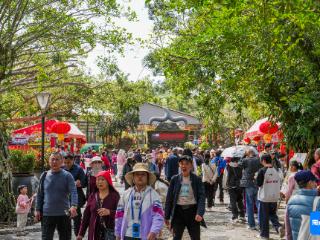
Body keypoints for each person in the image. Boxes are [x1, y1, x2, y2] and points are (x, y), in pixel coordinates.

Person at [115, 163, 164, 240]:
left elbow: (158, 215)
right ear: (133, 178)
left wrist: (154, 231)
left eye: (143, 174)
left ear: (147, 177)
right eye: (137, 174)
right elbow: (119, 214)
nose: (140, 176)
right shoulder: (126, 194)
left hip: (146, 235)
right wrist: (118, 233)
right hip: (127, 235)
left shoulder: (154, 195)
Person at [35, 152, 78, 240]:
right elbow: (39, 194)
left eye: (57, 159)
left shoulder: (67, 176)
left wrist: (74, 205)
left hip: (64, 214)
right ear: (49, 161)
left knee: (65, 237)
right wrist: (37, 209)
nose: (54, 162)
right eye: (52, 159)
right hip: (47, 214)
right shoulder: (44, 175)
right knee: (46, 238)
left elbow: (74, 191)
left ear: (62, 161)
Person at [165, 155, 206, 240]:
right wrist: (167, 216)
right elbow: (169, 199)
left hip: (192, 212)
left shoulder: (196, 179)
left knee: (195, 238)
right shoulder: (174, 179)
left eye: (186, 164)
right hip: (178, 212)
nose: (184, 166)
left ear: (191, 165)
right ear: (179, 165)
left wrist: (200, 212)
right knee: (176, 237)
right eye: (182, 164)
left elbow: (202, 197)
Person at [77, 171, 120, 240]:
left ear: (108, 181)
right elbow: (86, 216)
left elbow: (122, 214)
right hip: (94, 233)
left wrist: (110, 212)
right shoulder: (93, 196)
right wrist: (81, 233)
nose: (100, 182)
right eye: (98, 180)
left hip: (110, 233)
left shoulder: (115, 196)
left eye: (103, 179)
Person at [287, 170, 320, 240]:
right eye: (314, 181)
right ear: (310, 183)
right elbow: (316, 230)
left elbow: (288, 229)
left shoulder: (291, 200)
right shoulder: (317, 202)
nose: (316, 184)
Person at [256, 154, 283, 239]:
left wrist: (255, 178)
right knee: (272, 214)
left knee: (263, 217)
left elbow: (259, 184)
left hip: (264, 197)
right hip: (274, 197)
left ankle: (264, 235)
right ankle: (278, 227)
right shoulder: (277, 170)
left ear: (263, 161)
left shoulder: (262, 171)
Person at [64, 153, 87, 236]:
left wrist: (80, 183)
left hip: (76, 197)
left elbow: (84, 183)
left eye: (69, 162)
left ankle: (78, 236)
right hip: (65, 198)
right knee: (65, 220)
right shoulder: (62, 169)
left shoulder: (79, 169)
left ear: (73, 161)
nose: (67, 164)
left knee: (76, 219)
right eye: (65, 162)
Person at [239, 149, 262, 230]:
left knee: (249, 204)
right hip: (256, 183)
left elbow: (239, 165)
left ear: (247, 153)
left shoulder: (245, 160)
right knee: (258, 204)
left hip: (248, 184)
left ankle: (251, 225)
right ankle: (261, 224)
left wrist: (243, 156)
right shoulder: (258, 159)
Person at [227, 156, 245, 223]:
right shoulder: (240, 167)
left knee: (233, 202)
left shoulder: (229, 167)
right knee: (240, 200)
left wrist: (227, 185)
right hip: (239, 186)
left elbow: (227, 177)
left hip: (232, 186)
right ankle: (242, 215)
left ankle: (235, 216)